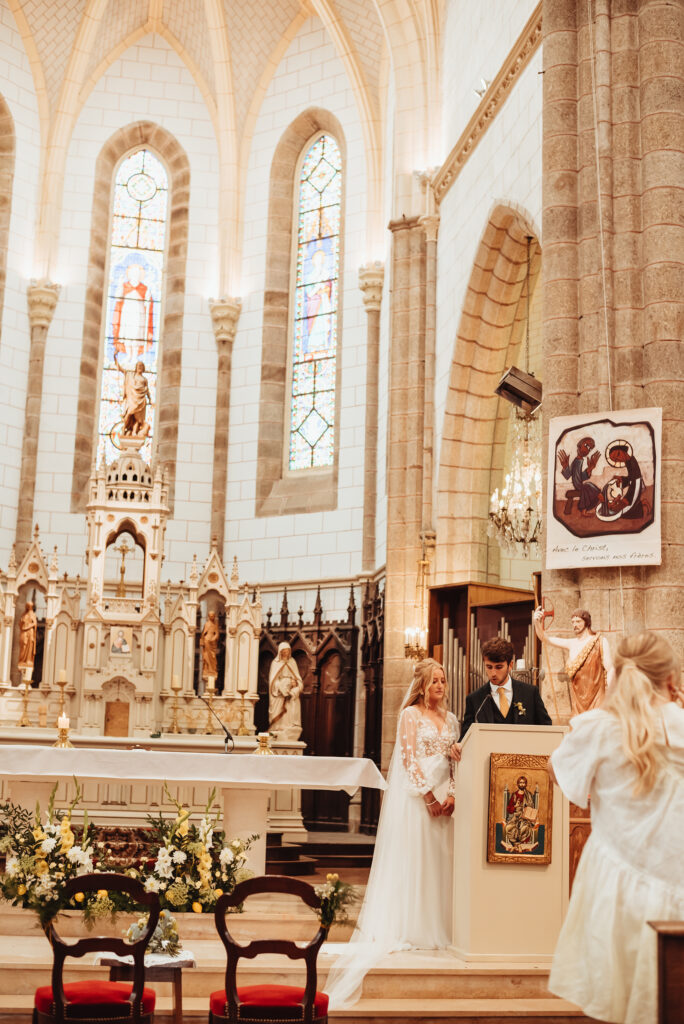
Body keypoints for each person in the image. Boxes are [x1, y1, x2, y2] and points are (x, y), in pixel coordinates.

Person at [548, 631, 684, 1024]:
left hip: (619, 888)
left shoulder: (595, 727)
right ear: (671, 677)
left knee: (618, 1005)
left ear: (618, 673)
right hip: (676, 883)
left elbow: (562, 777)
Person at [325, 659, 461, 1008]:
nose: (440, 687)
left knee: (442, 862)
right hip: (419, 799)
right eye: (434, 681)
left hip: (447, 798)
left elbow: (457, 760)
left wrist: (452, 794)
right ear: (422, 685)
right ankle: (413, 927)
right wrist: (428, 795)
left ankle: (441, 927)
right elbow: (408, 760)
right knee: (418, 860)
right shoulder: (409, 716)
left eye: (443, 681)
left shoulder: (452, 720)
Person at [460, 637, 552, 739]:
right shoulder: (475, 699)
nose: (493, 673)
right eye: (489, 667)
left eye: (499, 667)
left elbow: (547, 730)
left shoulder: (530, 693)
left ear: (510, 665)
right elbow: (465, 738)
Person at [534, 607, 614, 714]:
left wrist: (611, 694)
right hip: (578, 698)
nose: (574, 624)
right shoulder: (572, 644)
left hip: (597, 696)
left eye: (578, 621)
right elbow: (545, 638)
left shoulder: (600, 641)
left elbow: (610, 669)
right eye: (572, 622)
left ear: (587, 622)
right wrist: (536, 622)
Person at [268, 642, 304, 741]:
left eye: (287, 652)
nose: (285, 654)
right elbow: (272, 681)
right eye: (283, 652)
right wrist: (282, 686)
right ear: (280, 652)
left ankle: (290, 727)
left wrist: (295, 688)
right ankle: (277, 727)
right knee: (278, 711)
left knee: (292, 709)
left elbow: (298, 680)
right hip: (279, 693)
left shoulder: (292, 662)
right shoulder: (275, 663)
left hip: (291, 694)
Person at [558, 436, 600, 515]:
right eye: (586, 446)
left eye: (590, 449)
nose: (587, 450)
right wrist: (565, 467)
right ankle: (583, 510)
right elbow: (569, 475)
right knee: (589, 487)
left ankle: (586, 509)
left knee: (593, 488)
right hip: (579, 486)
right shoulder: (577, 461)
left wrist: (590, 469)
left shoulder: (579, 460)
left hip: (579, 484)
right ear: (579, 445)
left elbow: (579, 476)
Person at [115, 357, 151, 437]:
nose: (140, 367)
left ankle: (134, 432)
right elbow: (121, 369)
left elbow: (147, 389)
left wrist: (150, 399)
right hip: (132, 398)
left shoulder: (144, 379)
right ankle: (123, 429)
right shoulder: (131, 375)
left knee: (138, 418)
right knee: (129, 413)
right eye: (138, 366)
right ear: (136, 367)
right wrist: (115, 358)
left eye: (141, 366)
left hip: (141, 399)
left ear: (143, 368)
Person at [199, 610, 219, 681]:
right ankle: (207, 669)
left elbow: (217, 634)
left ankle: (212, 670)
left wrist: (213, 638)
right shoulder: (206, 624)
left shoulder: (215, 625)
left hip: (212, 643)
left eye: (213, 616)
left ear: (214, 616)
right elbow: (203, 633)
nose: (212, 617)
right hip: (206, 640)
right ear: (208, 616)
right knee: (206, 655)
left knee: (213, 657)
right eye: (210, 616)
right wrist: (202, 641)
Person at [18, 601, 37, 671]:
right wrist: (22, 623)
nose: (28, 607)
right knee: (23, 645)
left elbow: (35, 624)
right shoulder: (23, 614)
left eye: (29, 606)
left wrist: (28, 626)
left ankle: (28, 660)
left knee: (29, 646)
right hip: (24, 633)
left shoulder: (33, 614)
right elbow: (20, 624)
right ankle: (22, 660)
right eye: (27, 606)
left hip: (30, 633)